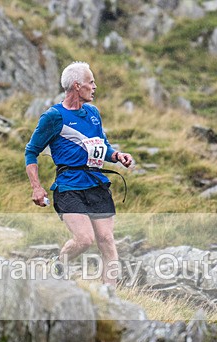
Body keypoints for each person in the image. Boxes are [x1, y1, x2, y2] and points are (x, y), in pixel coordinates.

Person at [25, 61, 133, 286]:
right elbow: (31, 152)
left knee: (106, 240)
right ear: (77, 86)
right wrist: (36, 186)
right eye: (91, 82)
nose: (94, 87)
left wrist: (116, 156)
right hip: (69, 186)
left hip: (96, 184)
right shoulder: (53, 117)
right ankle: (60, 263)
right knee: (84, 239)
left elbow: (101, 145)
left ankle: (109, 301)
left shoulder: (93, 113)